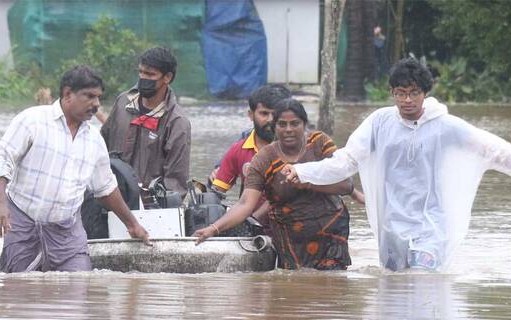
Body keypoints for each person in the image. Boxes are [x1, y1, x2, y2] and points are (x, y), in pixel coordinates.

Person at [283, 58, 511, 271]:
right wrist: (303, 171)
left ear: (424, 93)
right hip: (392, 225)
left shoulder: (445, 126)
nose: (407, 100)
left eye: (413, 93)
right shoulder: (379, 123)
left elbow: (495, 150)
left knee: (423, 281)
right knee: (394, 290)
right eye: (400, 93)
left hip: (431, 224)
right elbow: (346, 160)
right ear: (392, 92)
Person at [0, 66, 150, 273]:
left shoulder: (94, 139)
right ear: (67, 94)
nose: (96, 104)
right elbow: (2, 158)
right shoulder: (32, 121)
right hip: (23, 225)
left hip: (67, 233)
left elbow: (106, 189)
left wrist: (132, 224)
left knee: (78, 285)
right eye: (89, 96)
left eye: (99, 98)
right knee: (19, 291)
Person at [195, 99, 354, 270]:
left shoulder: (319, 143)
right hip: (291, 239)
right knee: (293, 287)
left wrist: (308, 182)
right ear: (274, 127)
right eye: (282, 124)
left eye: (295, 124)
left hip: (331, 232)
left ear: (305, 124)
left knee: (332, 285)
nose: (288, 130)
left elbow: (346, 185)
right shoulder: (264, 159)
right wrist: (213, 229)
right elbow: (244, 204)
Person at [101, 47, 191, 198]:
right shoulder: (123, 103)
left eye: (150, 74)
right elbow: (100, 146)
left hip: (148, 206)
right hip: (110, 198)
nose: (143, 78)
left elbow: (175, 182)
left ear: (167, 77)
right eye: (141, 72)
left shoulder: (177, 122)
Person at [208, 84, 291, 226]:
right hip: (250, 224)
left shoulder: (298, 149)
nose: (270, 120)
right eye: (264, 114)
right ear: (251, 115)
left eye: (276, 114)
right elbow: (216, 191)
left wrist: (251, 220)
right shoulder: (239, 149)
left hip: (289, 225)